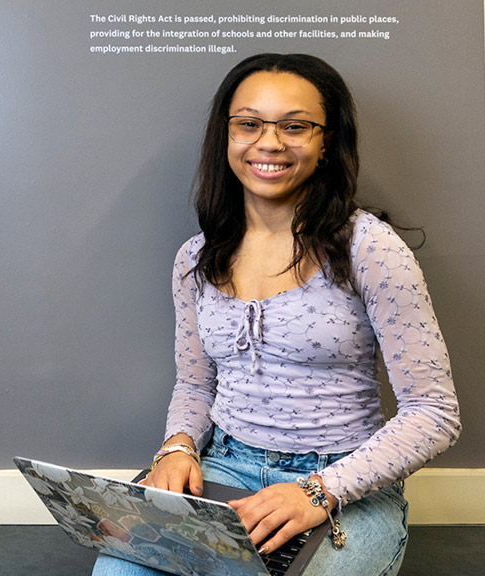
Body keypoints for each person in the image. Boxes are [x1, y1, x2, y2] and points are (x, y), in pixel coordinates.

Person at [93, 53, 460, 575]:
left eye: (296, 126)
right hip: (223, 468)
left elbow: (434, 414)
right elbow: (197, 386)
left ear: (327, 140)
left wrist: (318, 491)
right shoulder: (194, 259)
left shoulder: (371, 249)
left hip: (343, 485)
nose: (269, 143)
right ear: (227, 135)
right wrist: (176, 449)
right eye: (249, 124)